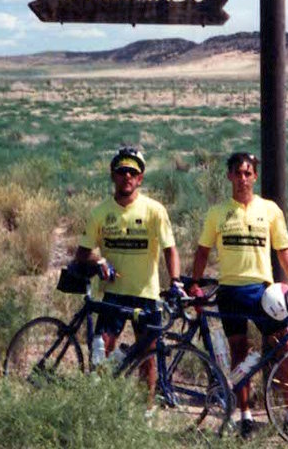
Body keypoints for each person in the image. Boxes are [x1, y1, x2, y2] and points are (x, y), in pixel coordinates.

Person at [188, 152, 288, 443]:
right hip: (230, 291)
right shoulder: (217, 212)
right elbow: (203, 251)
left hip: (262, 291)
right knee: (239, 353)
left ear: (254, 176)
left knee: (285, 347)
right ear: (229, 176)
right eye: (238, 173)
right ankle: (245, 417)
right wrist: (194, 283)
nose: (243, 179)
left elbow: (282, 247)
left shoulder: (269, 209)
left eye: (248, 173)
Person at [75, 146, 182, 397]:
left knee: (148, 356)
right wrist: (99, 260)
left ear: (140, 178)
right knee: (102, 353)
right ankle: (100, 404)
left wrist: (175, 281)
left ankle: (146, 409)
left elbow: (170, 249)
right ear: (113, 175)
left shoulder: (154, 210)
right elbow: (82, 253)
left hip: (146, 294)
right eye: (122, 171)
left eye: (132, 173)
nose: (127, 177)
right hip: (112, 294)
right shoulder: (100, 212)